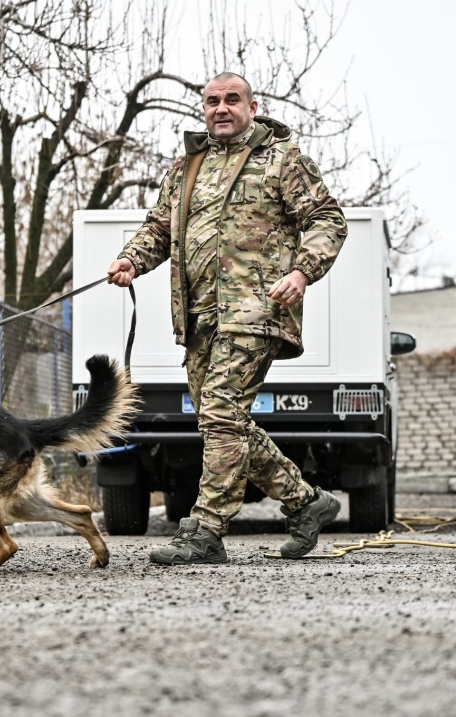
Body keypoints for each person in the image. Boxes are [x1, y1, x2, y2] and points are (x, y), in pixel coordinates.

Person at [106, 72, 348, 565]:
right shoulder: (187, 166)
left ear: (251, 107)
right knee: (225, 421)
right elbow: (158, 228)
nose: (221, 108)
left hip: (255, 309)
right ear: (203, 108)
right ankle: (306, 502)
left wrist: (302, 271)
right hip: (198, 316)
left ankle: (206, 529)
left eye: (232, 100)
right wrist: (131, 259)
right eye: (212, 101)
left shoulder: (282, 159)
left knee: (219, 413)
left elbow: (327, 219)